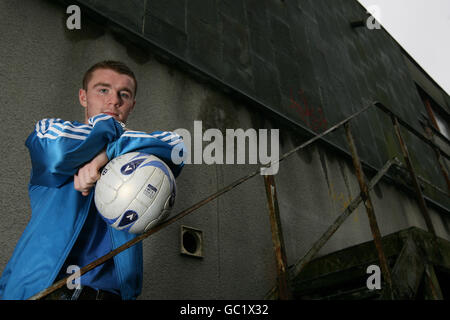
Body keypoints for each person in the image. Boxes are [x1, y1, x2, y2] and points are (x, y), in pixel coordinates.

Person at [0, 61, 184, 300]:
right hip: (40, 293)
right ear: (83, 97)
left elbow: (176, 146)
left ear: (132, 106)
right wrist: (109, 131)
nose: (114, 100)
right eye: (103, 90)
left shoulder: (138, 158)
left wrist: (105, 156)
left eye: (124, 95)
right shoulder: (52, 130)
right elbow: (55, 153)